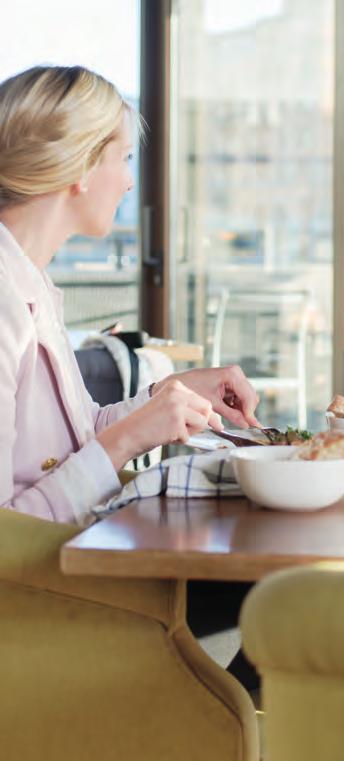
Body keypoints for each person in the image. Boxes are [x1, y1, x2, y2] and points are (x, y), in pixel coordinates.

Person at [0, 65, 259, 686]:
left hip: (64, 566)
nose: (128, 180)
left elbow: (71, 441)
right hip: (34, 600)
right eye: (123, 157)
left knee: (278, 590)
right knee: (274, 600)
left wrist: (166, 396)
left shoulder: (31, 280)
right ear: (80, 168)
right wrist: (131, 437)